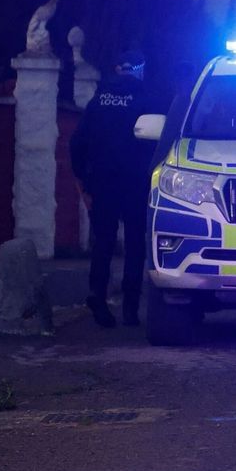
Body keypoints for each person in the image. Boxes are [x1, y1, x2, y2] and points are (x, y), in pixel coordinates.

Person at [71, 50, 158, 327]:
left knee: (103, 243)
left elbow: (77, 143)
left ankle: (97, 294)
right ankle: (130, 309)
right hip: (135, 183)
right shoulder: (146, 100)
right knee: (135, 244)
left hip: (102, 182)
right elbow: (157, 142)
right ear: (139, 70)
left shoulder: (98, 101)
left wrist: (83, 182)